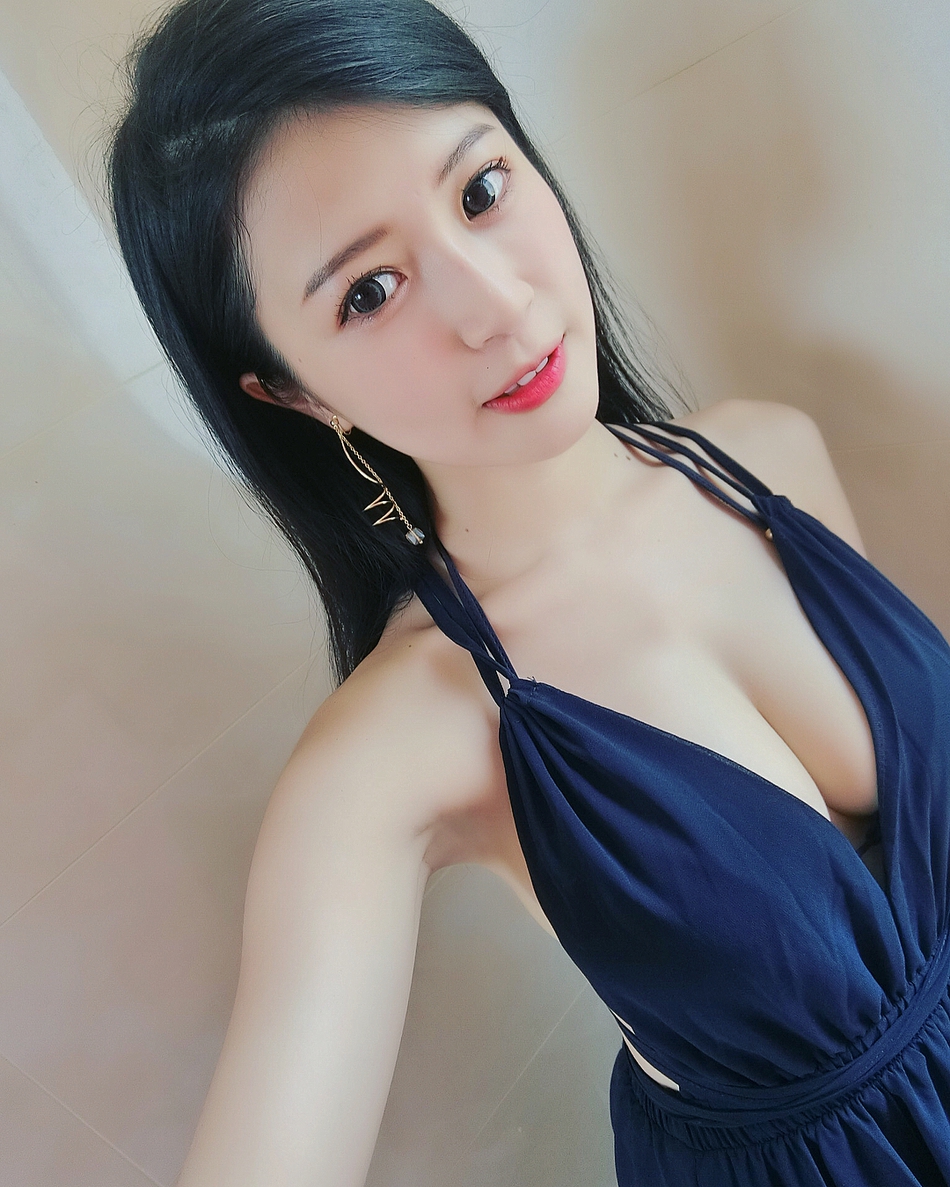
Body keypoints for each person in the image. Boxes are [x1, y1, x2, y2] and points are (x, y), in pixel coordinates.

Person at [106, 0, 950, 1183]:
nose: (493, 303)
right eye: (368, 291)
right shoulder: (397, 746)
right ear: (294, 394)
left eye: (480, 190)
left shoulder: (769, 455)